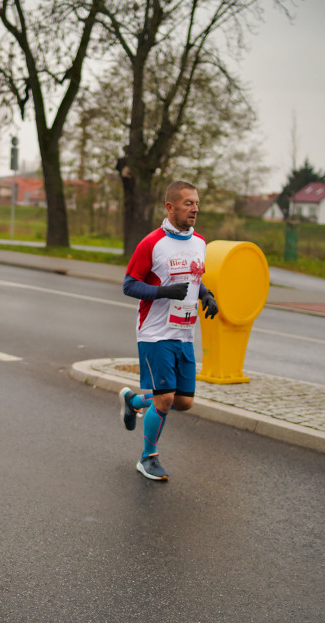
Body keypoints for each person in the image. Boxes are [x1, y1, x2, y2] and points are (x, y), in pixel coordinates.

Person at [117, 181, 219, 481]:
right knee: (163, 401)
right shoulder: (152, 243)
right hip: (155, 333)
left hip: (185, 333)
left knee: (183, 402)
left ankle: (134, 402)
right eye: (188, 203)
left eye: (197, 203)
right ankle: (148, 458)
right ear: (170, 207)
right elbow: (129, 284)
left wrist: (207, 295)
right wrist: (163, 291)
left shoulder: (200, 242)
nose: (195, 209)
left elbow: (195, 280)